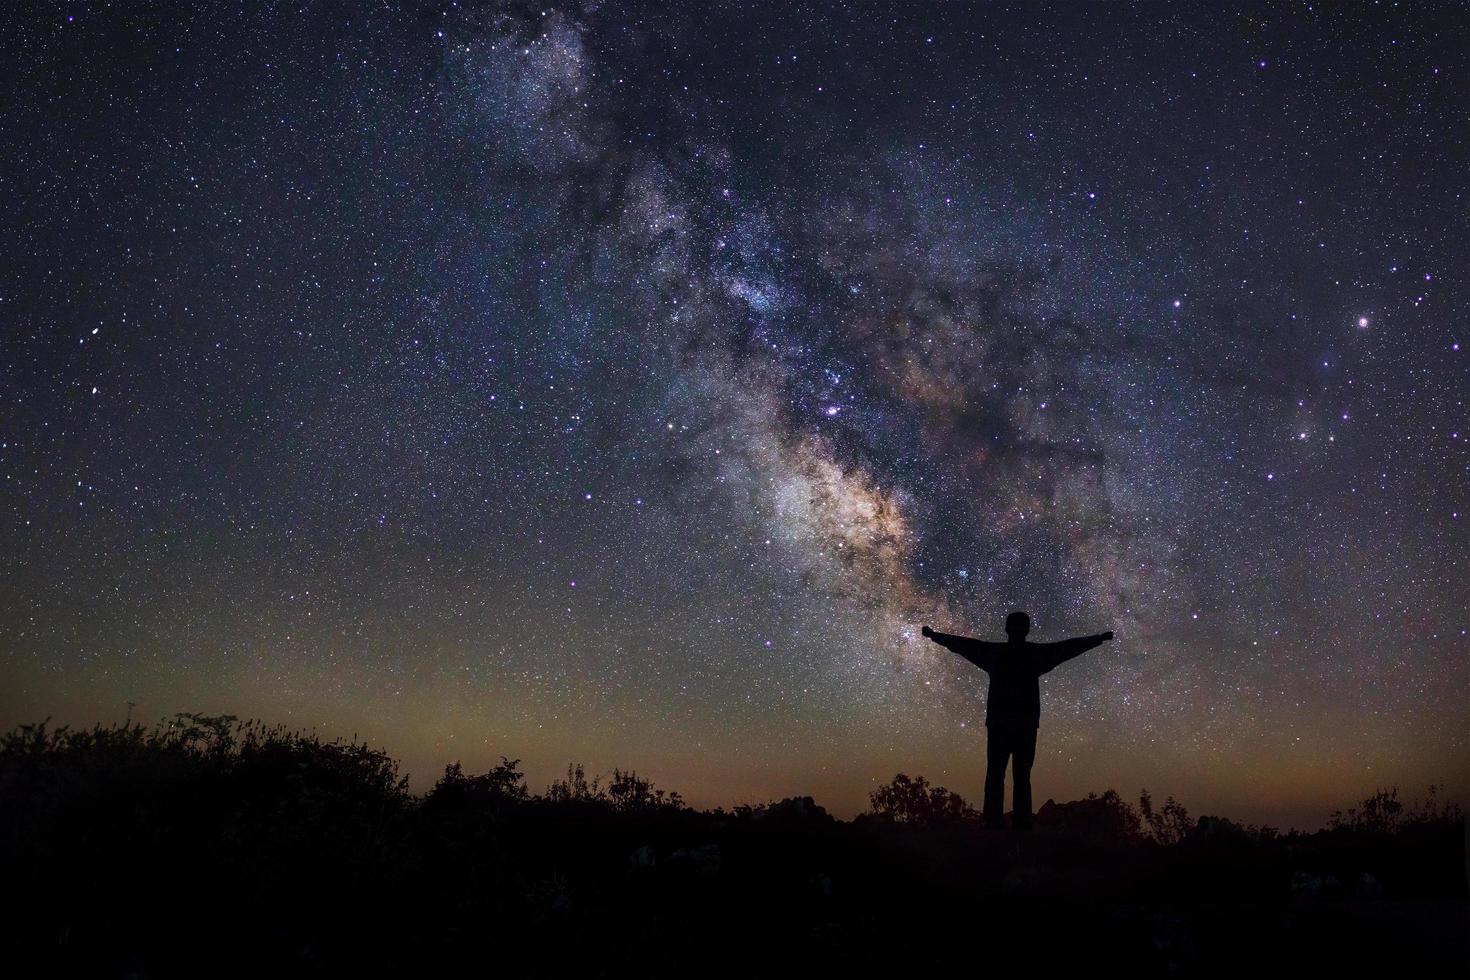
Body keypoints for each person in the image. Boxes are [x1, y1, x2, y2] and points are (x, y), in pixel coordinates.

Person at [921, 612, 1113, 831]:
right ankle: (1014, 827)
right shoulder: (1030, 655)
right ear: (1025, 629)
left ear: (1007, 629)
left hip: (1007, 726)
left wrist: (935, 636)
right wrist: (1097, 639)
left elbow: (964, 646)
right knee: (1014, 777)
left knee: (1000, 776)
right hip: (1019, 726)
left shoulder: (1000, 654)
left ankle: (999, 825)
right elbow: (1066, 649)